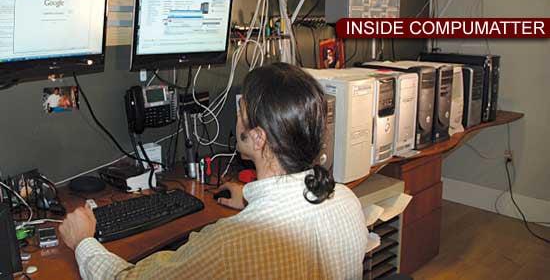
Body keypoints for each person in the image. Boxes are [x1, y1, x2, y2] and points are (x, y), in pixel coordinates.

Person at [59, 63, 368, 280]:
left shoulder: (230, 242)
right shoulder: (346, 200)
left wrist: (84, 241)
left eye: (242, 111)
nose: (237, 117)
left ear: (258, 137)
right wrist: (249, 197)